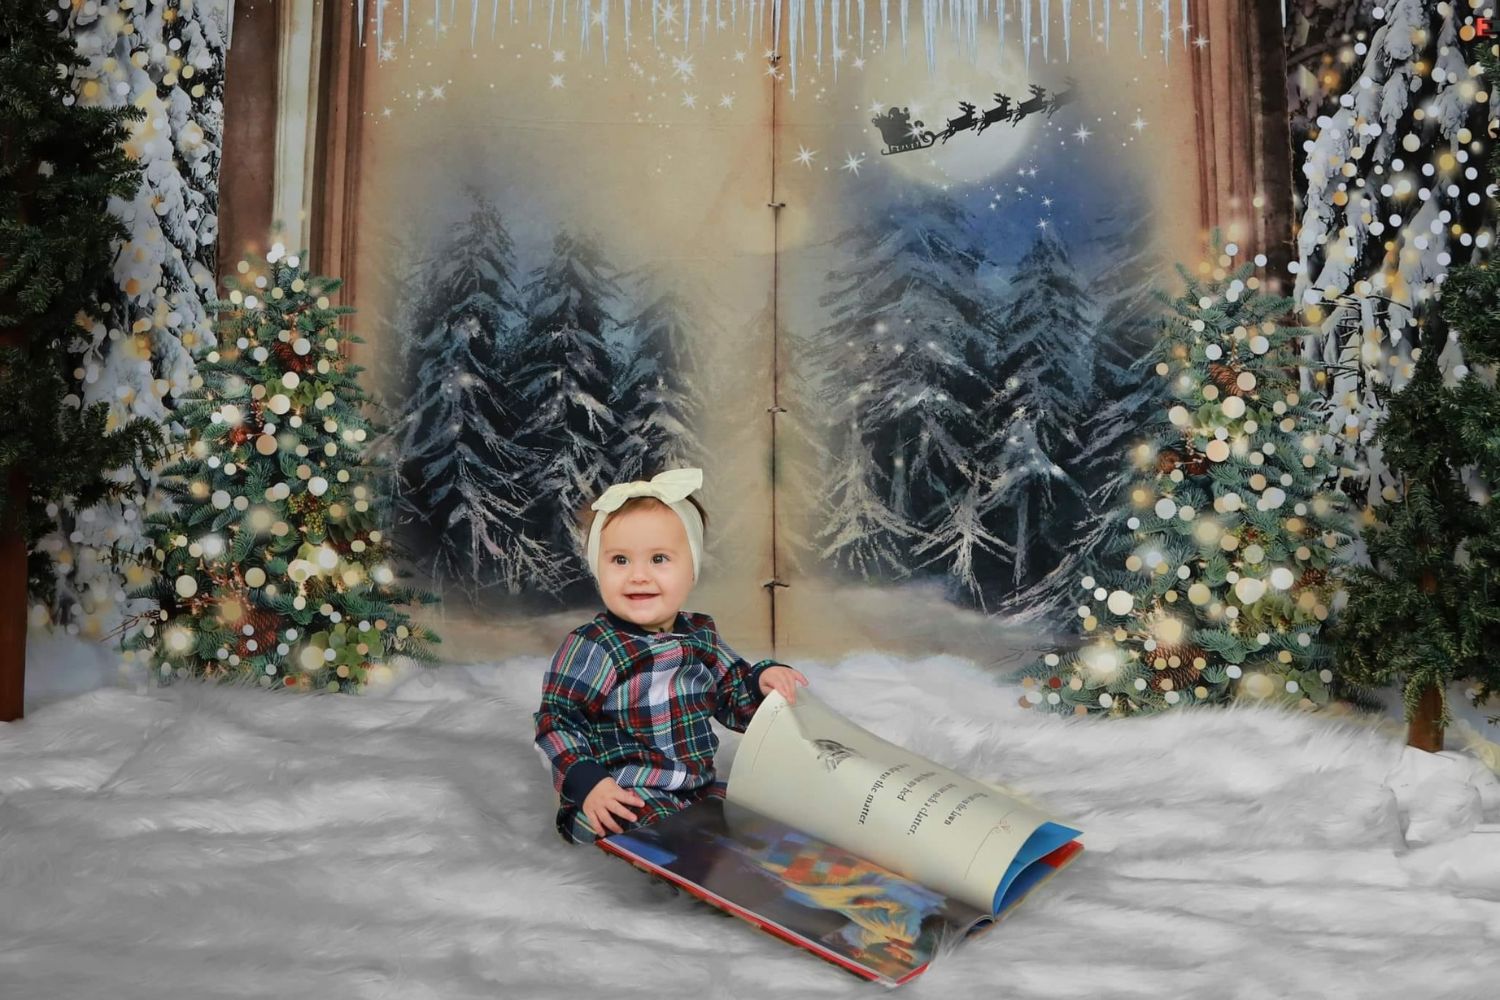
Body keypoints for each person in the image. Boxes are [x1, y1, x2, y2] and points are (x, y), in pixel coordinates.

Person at [533, 467, 809, 845]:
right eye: (619, 561)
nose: (638, 576)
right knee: (661, 826)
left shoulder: (701, 636)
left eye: (659, 559)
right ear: (598, 570)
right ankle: (702, 863)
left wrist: (761, 682)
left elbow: (732, 698)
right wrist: (587, 781)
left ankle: (776, 864)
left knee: (753, 812)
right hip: (620, 794)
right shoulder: (596, 645)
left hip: (694, 788)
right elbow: (558, 719)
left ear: (691, 571)